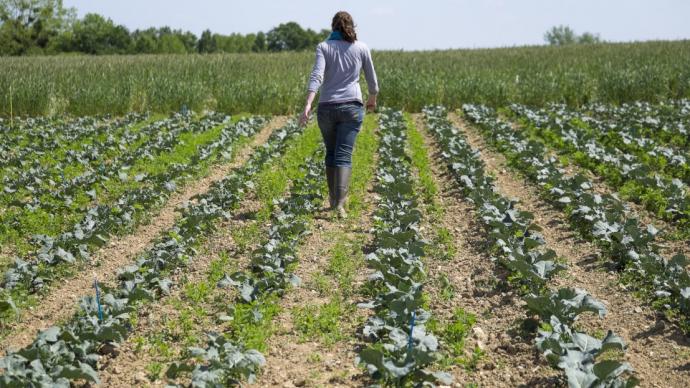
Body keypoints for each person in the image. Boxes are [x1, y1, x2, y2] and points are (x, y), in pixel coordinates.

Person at [299, 11, 379, 218]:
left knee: (331, 152)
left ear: (333, 27)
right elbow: (372, 81)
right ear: (352, 26)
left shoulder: (324, 47)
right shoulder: (361, 48)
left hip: (326, 107)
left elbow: (317, 75)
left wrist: (308, 103)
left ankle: (333, 199)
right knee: (343, 154)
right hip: (352, 107)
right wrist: (372, 99)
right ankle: (339, 205)